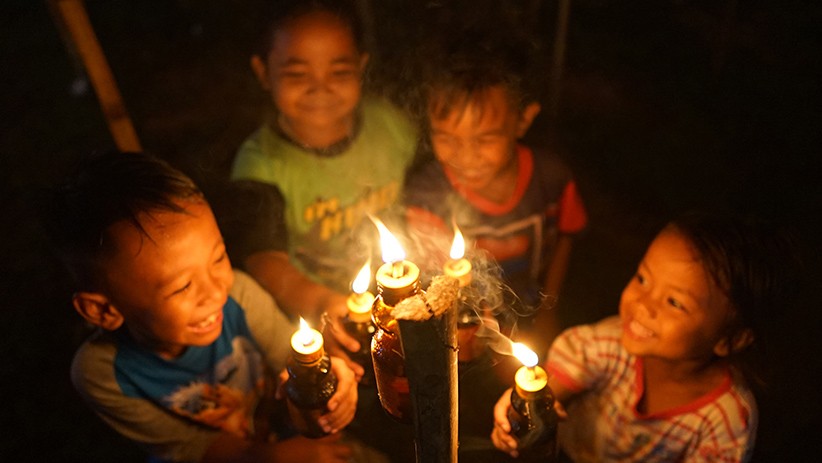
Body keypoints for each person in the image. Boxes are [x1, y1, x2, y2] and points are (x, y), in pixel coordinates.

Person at [40, 151, 359, 463]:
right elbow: (190, 446)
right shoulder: (103, 373)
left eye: (218, 258)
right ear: (104, 311)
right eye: (182, 286)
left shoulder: (241, 295)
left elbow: (293, 375)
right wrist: (269, 457)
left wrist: (323, 389)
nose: (216, 291)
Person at [491, 212, 801, 462]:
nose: (643, 304)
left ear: (730, 340)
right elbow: (555, 381)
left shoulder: (724, 420)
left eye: (674, 303)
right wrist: (524, 410)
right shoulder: (607, 344)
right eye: (643, 279)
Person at [229, 0, 418, 374]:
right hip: (322, 317)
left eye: (339, 71)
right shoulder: (260, 165)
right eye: (298, 74)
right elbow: (263, 257)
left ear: (361, 67)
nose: (321, 88)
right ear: (263, 71)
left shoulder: (390, 125)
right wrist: (317, 303)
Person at [403, 32, 587, 357]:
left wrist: (549, 310)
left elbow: (566, 238)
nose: (465, 156)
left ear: (523, 120)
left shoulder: (552, 178)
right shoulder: (426, 197)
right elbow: (439, 282)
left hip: (531, 309)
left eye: (484, 139)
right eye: (446, 137)